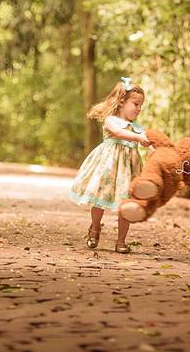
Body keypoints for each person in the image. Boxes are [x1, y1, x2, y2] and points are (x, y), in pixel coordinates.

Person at [68, 76, 152, 253]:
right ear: (122, 101)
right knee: (100, 199)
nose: (139, 108)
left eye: (141, 105)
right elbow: (118, 133)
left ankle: (121, 241)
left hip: (129, 169)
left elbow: (148, 140)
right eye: (135, 104)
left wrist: (153, 148)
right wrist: (138, 137)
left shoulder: (138, 127)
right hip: (108, 167)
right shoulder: (111, 120)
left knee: (127, 204)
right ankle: (95, 227)